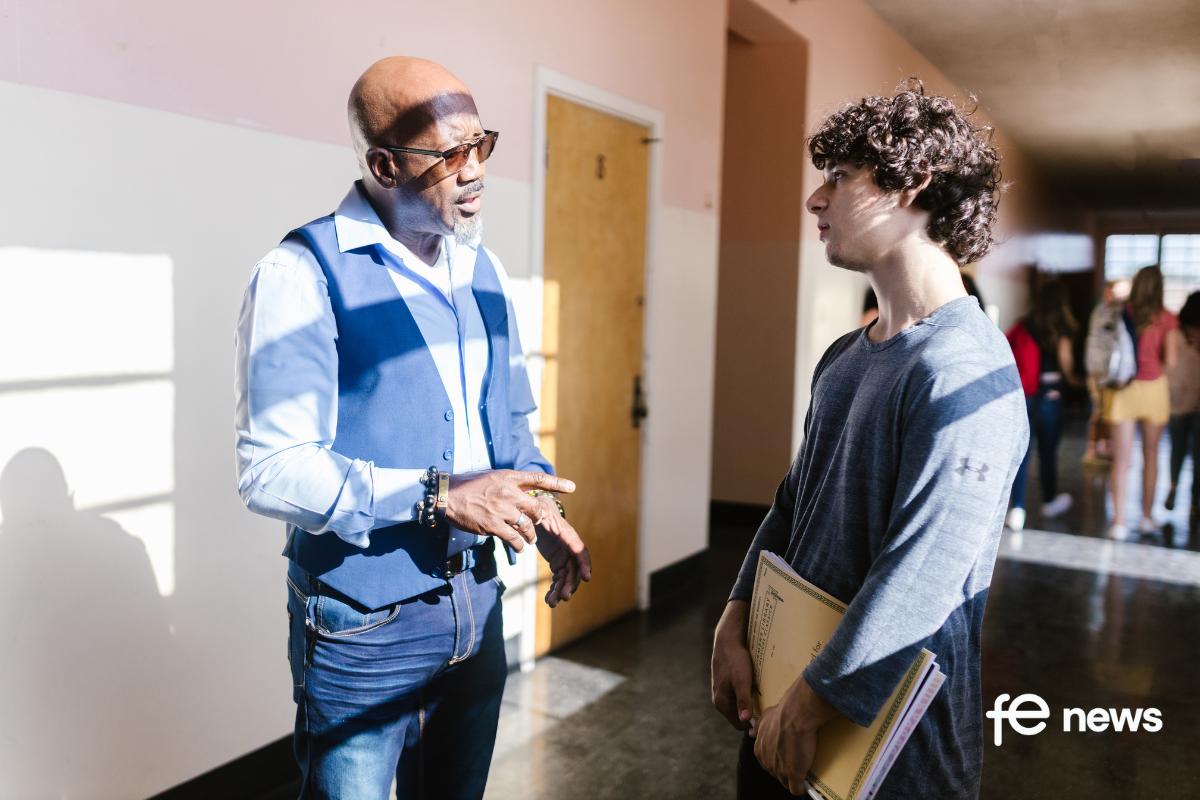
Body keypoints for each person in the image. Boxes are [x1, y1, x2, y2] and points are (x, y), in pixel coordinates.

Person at [234, 57, 592, 799]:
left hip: (476, 610)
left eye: (481, 145)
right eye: (448, 154)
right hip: (362, 631)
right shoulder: (301, 274)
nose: (475, 171)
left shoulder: (483, 270)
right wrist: (437, 495)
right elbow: (271, 467)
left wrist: (541, 507)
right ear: (384, 164)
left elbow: (508, 424)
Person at [710, 81, 1027, 799]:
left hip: (891, 756)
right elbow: (792, 506)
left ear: (912, 183)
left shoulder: (964, 371)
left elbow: (925, 570)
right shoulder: (845, 357)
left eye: (840, 178)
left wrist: (816, 699)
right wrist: (735, 614)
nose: (815, 200)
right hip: (789, 714)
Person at [1103, 265, 1179, 538]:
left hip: (1123, 389)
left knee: (1121, 461)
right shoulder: (1167, 318)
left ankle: (1119, 523)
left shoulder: (1122, 311)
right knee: (1151, 457)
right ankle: (1147, 518)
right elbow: (1170, 360)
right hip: (1153, 390)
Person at [1004, 281, 1082, 531]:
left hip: (1024, 394)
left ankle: (1017, 508)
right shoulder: (1061, 329)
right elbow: (1066, 365)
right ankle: (1048, 501)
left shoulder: (1024, 324)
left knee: (1022, 454)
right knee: (1048, 453)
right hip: (1051, 395)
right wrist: (1078, 382)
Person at [1164, 291, 1200, 517]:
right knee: (1199, 453)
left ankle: (1174, 486)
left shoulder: (1175, 334)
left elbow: (1170, 364)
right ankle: (1196, 501)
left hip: (1176, 400)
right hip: (1198, 401)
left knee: (1177, 448)